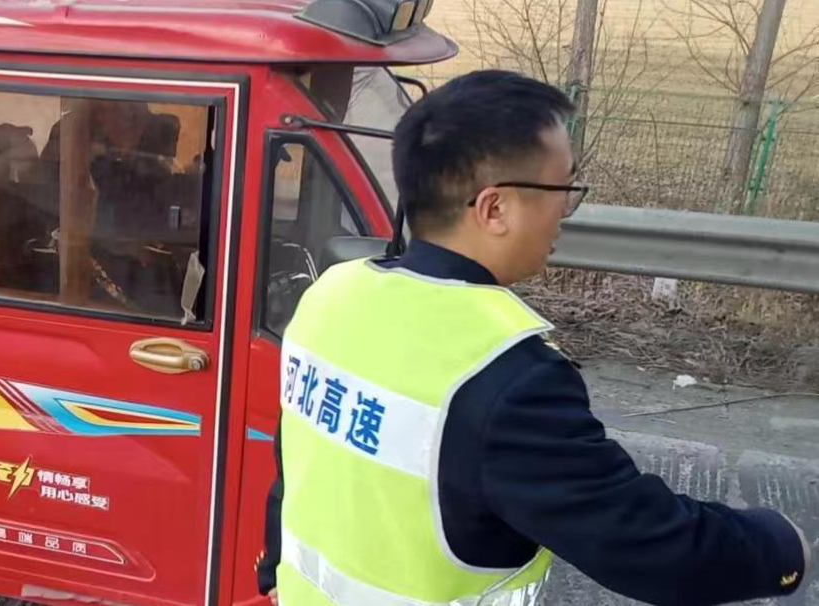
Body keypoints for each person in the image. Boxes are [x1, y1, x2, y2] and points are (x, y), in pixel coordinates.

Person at [257, 70, 813, 606]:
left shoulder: (330, 294)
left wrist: (274, 561)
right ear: (494, 207)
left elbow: (296, 457)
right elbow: (645, 542)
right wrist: (781, 547)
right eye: (562, 189)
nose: (564, 212)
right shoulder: (505, 376)